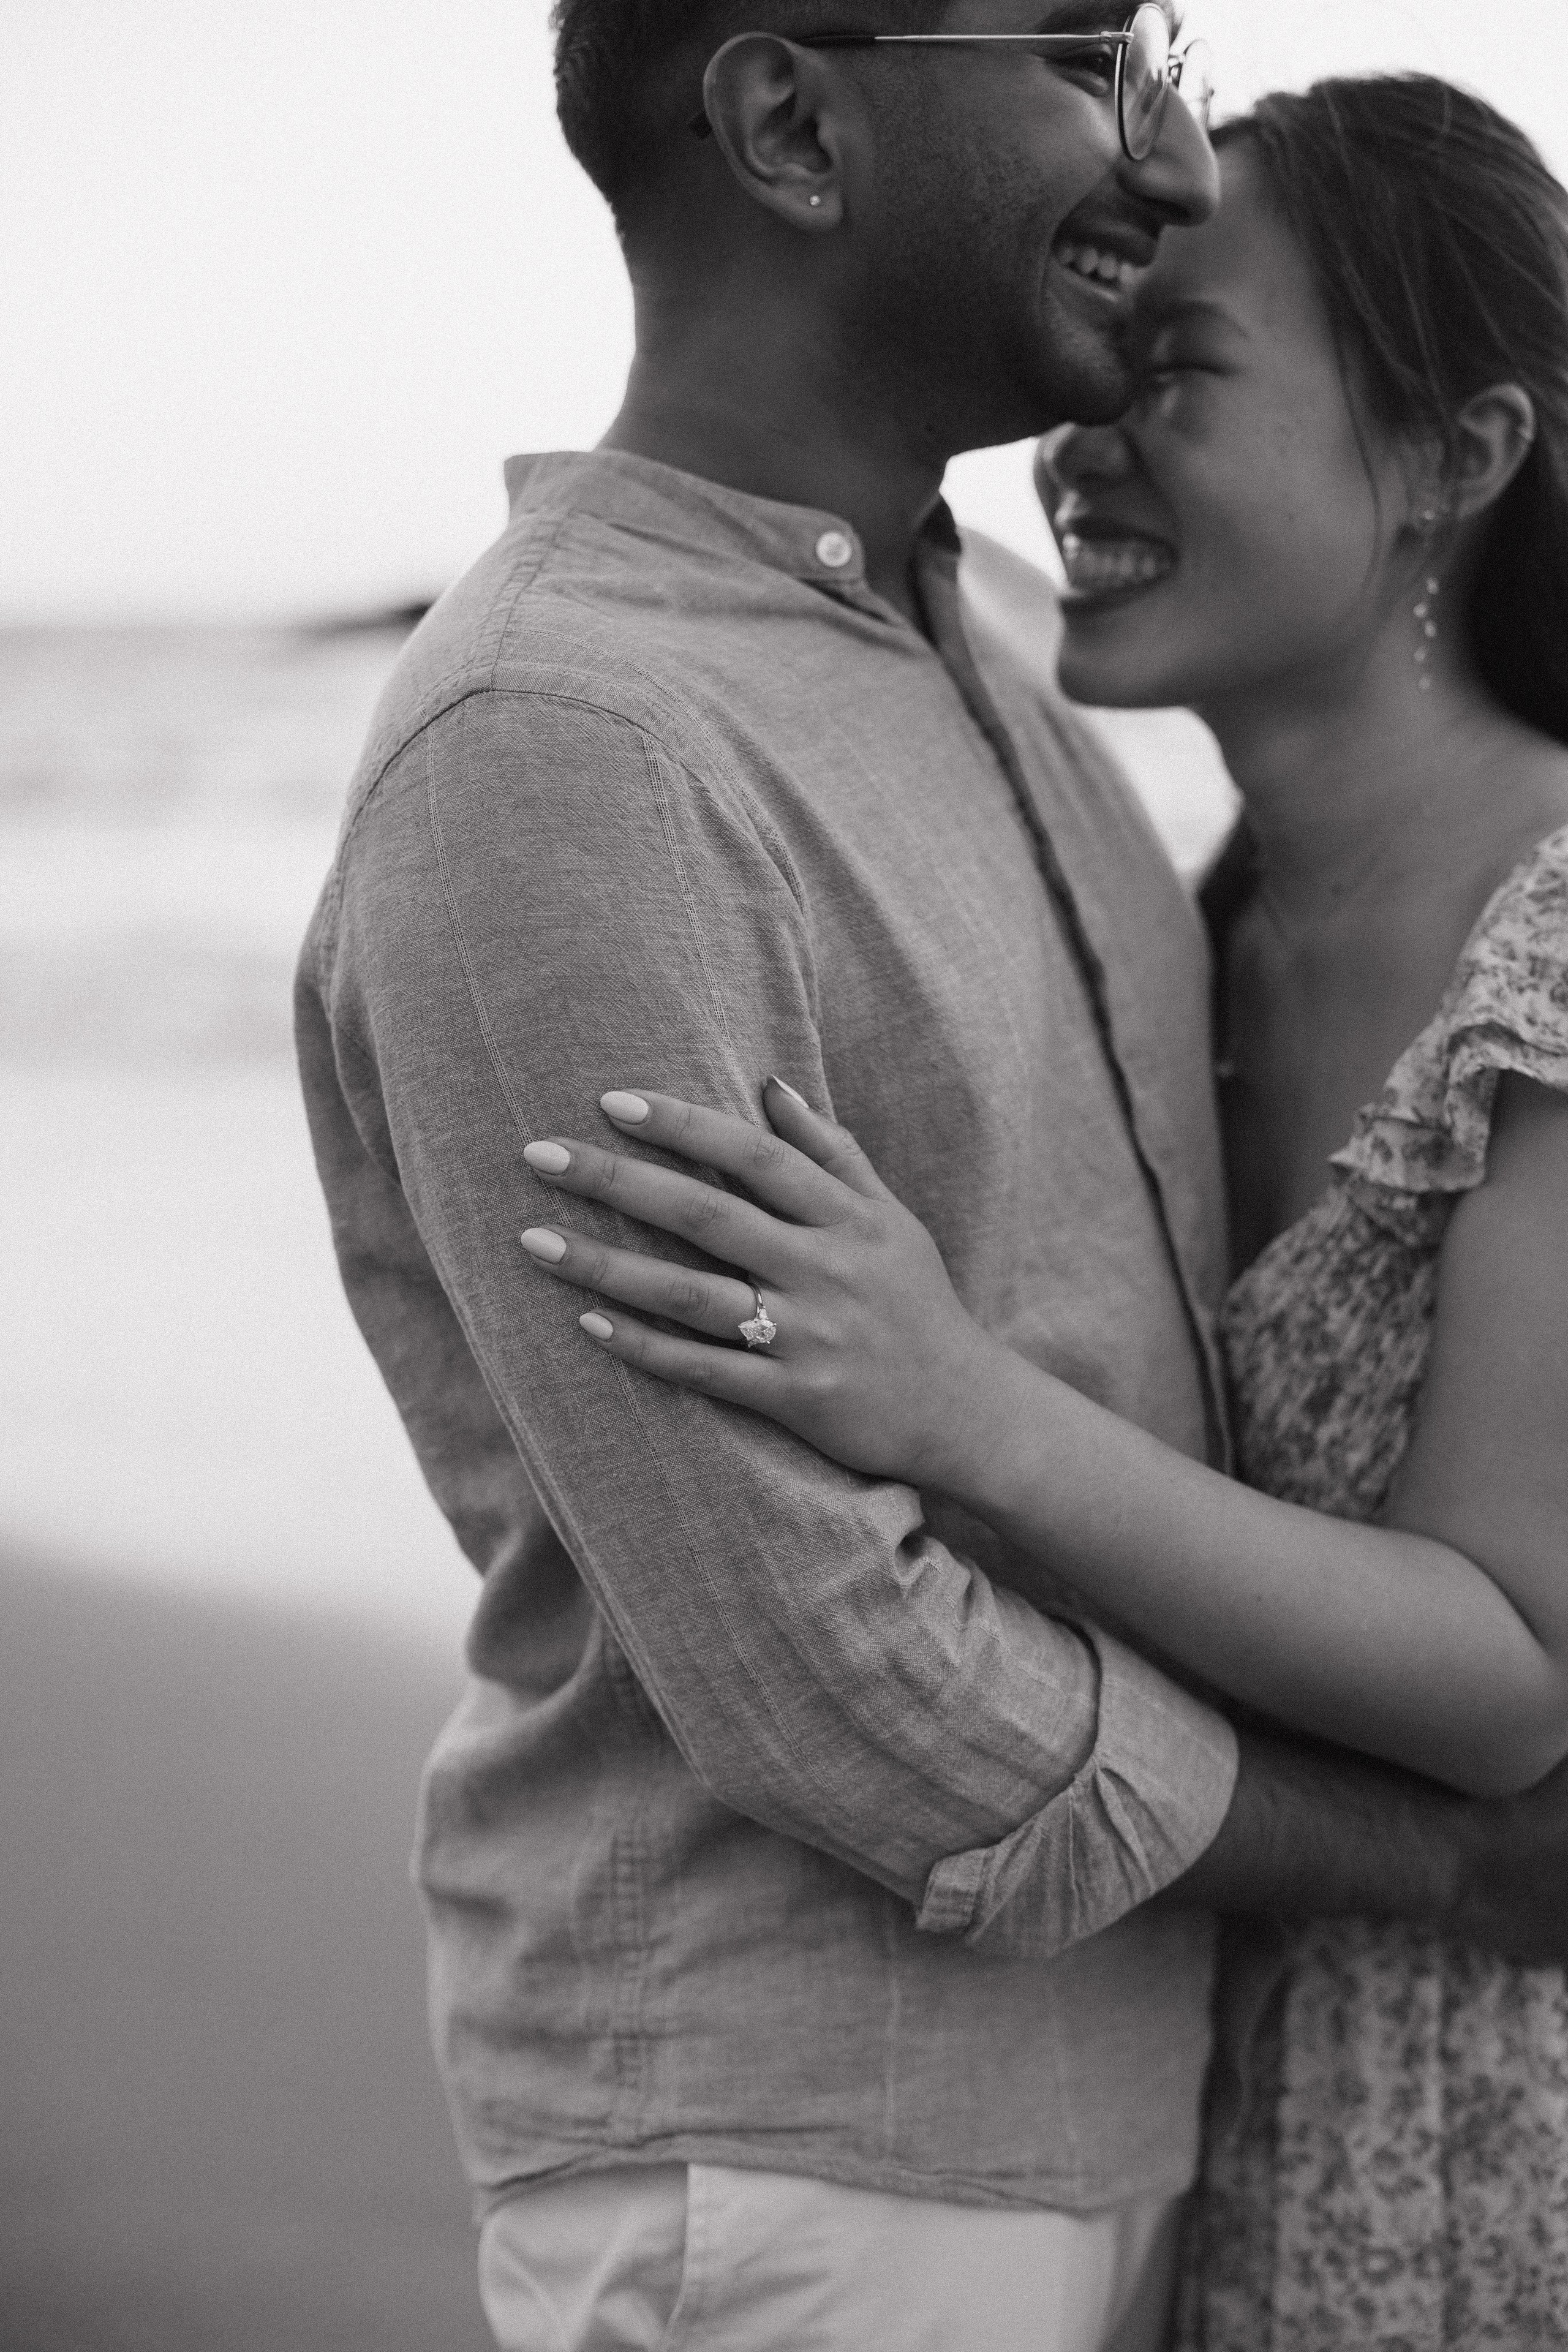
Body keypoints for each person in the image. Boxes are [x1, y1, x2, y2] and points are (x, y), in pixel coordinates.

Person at [296, 5, 1568, 2342]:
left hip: (1165, 2126)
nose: (1166, 152)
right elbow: (821, 1660)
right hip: (806, 2159)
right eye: (1094, 51)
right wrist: (1435, 1865)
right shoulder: (568, 749)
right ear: (793, 119)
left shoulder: (974, 668)